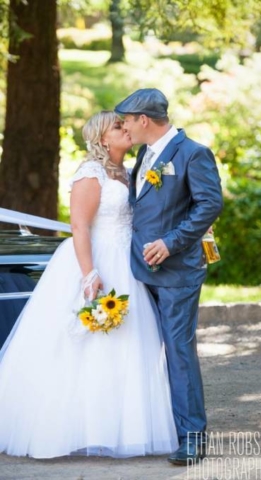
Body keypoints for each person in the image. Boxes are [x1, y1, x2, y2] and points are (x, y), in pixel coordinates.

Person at [0, 111, 178, 459]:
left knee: (126, 344)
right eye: (117, 126)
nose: (125, 128)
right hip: (93, 261)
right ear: (102, 139)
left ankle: (117, 427)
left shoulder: (130, 173)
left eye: (124, 123)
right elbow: (80, 227)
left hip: (127, 267)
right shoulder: (90, 173)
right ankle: (68, 428)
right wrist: (90, 275)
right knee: (81, 344)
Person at [114, 88, 224, 465]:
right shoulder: (145, 154)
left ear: (144, 120)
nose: (125, 127)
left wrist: (172, 242)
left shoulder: (192, 153)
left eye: (127, 120)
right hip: (139, 271)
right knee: (145, 350)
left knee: (178, 352)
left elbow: (210, 203)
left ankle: (192, 437)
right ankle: (157, 427)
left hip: (178, 272)